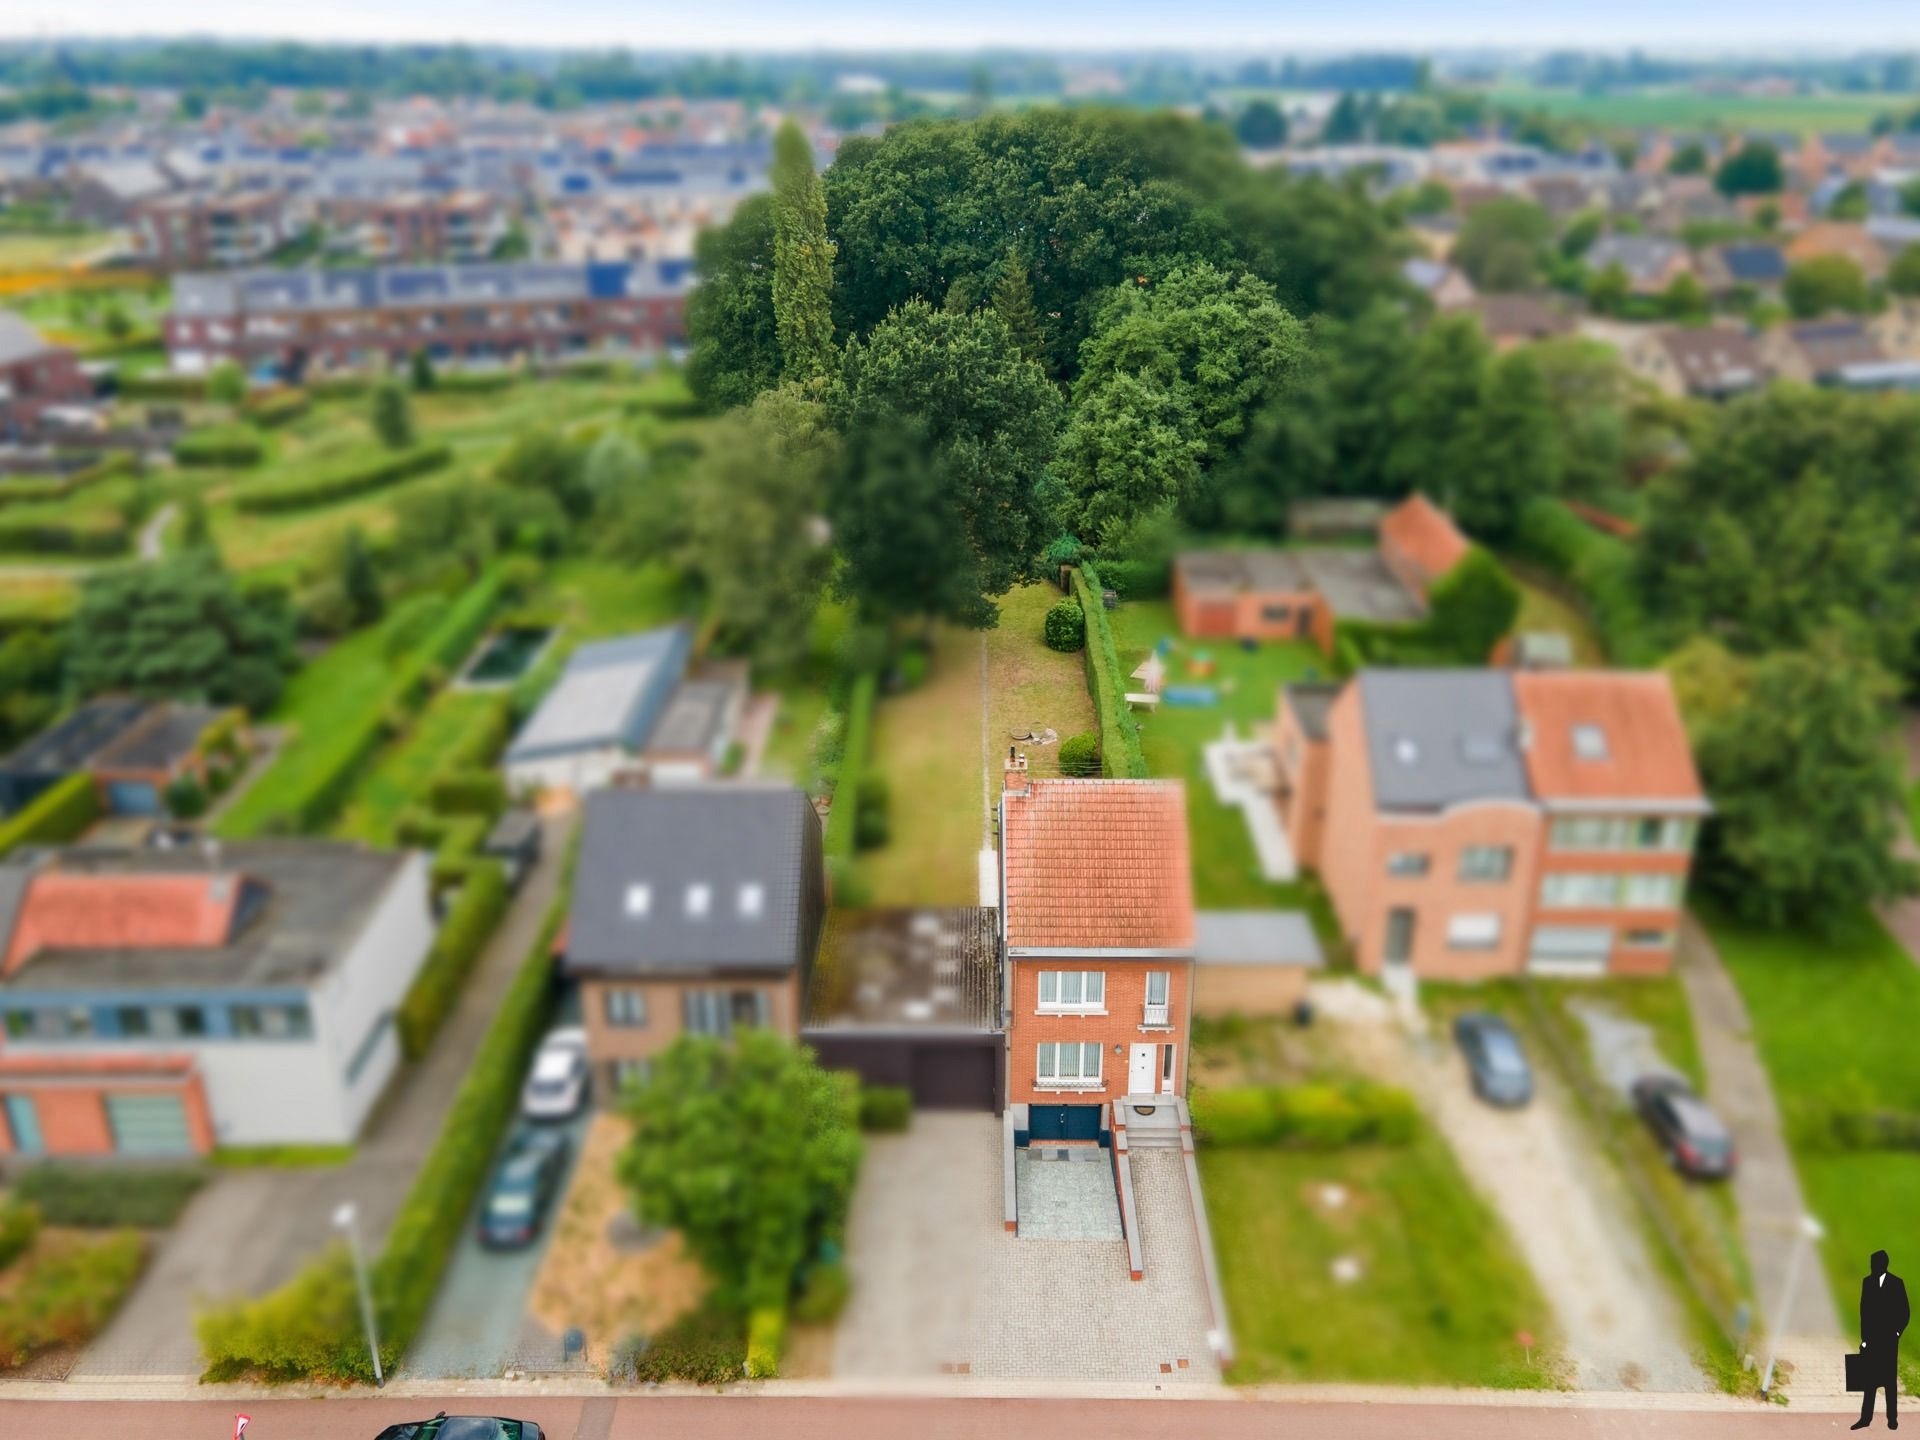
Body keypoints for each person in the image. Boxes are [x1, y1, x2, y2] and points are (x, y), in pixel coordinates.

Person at [1855, 1249, 1909, 1431]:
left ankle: (1892, 1419)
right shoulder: (1867, 1282)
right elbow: (1864, 1312)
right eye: (1871, 1264)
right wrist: (1864, 1339)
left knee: (1889, 1382)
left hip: (1888, 1342)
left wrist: (1896, 1333)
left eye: (1875, 1264)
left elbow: (1904, 1312)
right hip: (1871, 1340)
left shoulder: (1896, 1283)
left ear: (1883, 1265)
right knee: (1869, 1382)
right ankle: (1865, 1418)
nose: (1872, 1267)